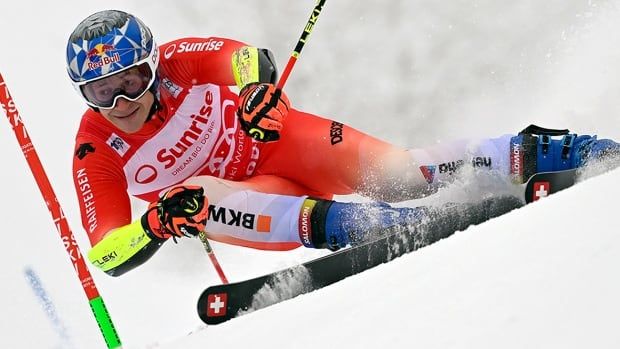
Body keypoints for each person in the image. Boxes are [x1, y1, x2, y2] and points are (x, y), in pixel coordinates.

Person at [68, 10, 619, 276]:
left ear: (152, 64)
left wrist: (258, 87)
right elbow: (106, 253)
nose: (122, 104)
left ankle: (547, 151)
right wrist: (154, 226)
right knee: (193, 198)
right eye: (100, 92)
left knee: (401, 174)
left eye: (131, 81)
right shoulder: (96, 152)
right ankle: (363, 227)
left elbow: (242, 57)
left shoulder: (179, 61)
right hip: (243, 203)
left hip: (282, 142)